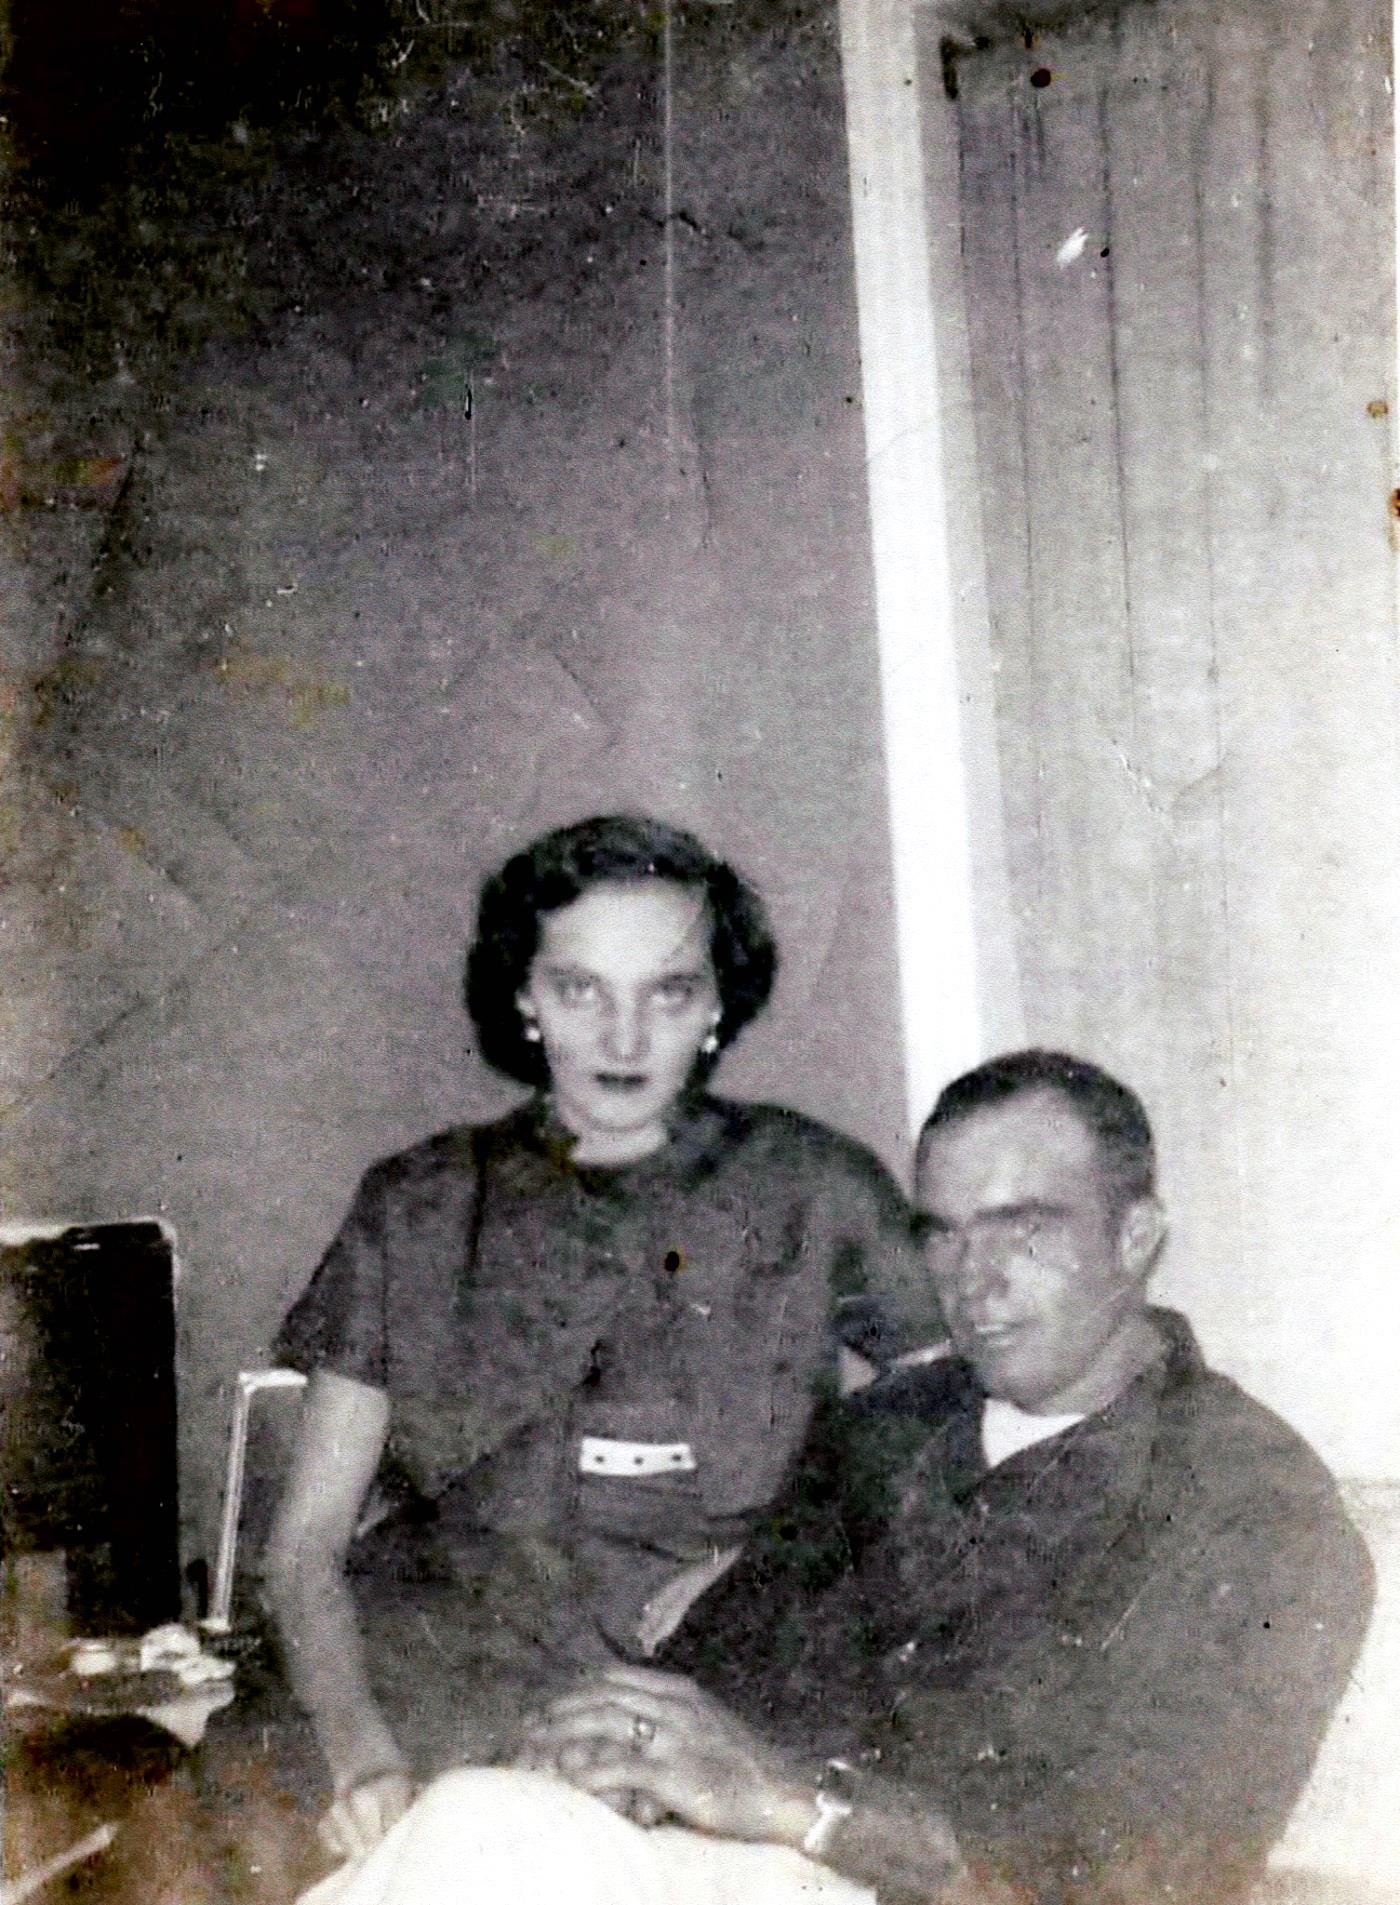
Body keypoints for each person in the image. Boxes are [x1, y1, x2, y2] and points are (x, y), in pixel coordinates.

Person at [296, 1049, 1375, 1905]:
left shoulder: (1250, 1507)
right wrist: (618, 1750)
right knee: (477, 1819)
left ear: (1136, 1237)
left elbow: (1146, 1876)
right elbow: (722, 1671)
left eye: (1023, 1231)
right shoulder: (892, 1427)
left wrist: (795, 1803)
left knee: (482, 1838)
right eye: (943, 1237)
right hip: (753, 1870)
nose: (974, 1281)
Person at [263, 814, 925, 1865]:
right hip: (433, 1691)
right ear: (525, 997)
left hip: (714, 1694)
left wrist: (772, 1555)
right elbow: (305, 1548)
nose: (623, 1041)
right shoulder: (416, 1202)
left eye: (668, 992)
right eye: (580, 990)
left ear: (716, 1003)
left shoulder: (816, 1184)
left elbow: (946, 1425)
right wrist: (361, 1756)